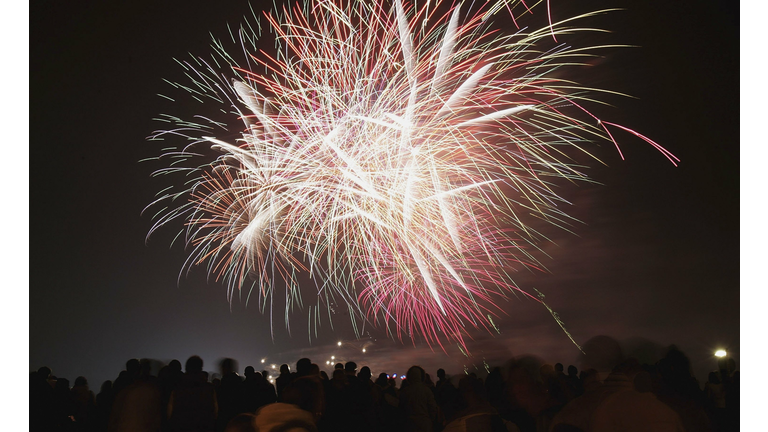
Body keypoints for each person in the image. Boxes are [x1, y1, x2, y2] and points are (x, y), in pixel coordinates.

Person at [398, 366, 439, 432]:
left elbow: (401, 409)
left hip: (410, 425)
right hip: (425, 425)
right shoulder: (426, 390)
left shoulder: (405, 392)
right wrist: (430, 420)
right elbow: (432, 408)